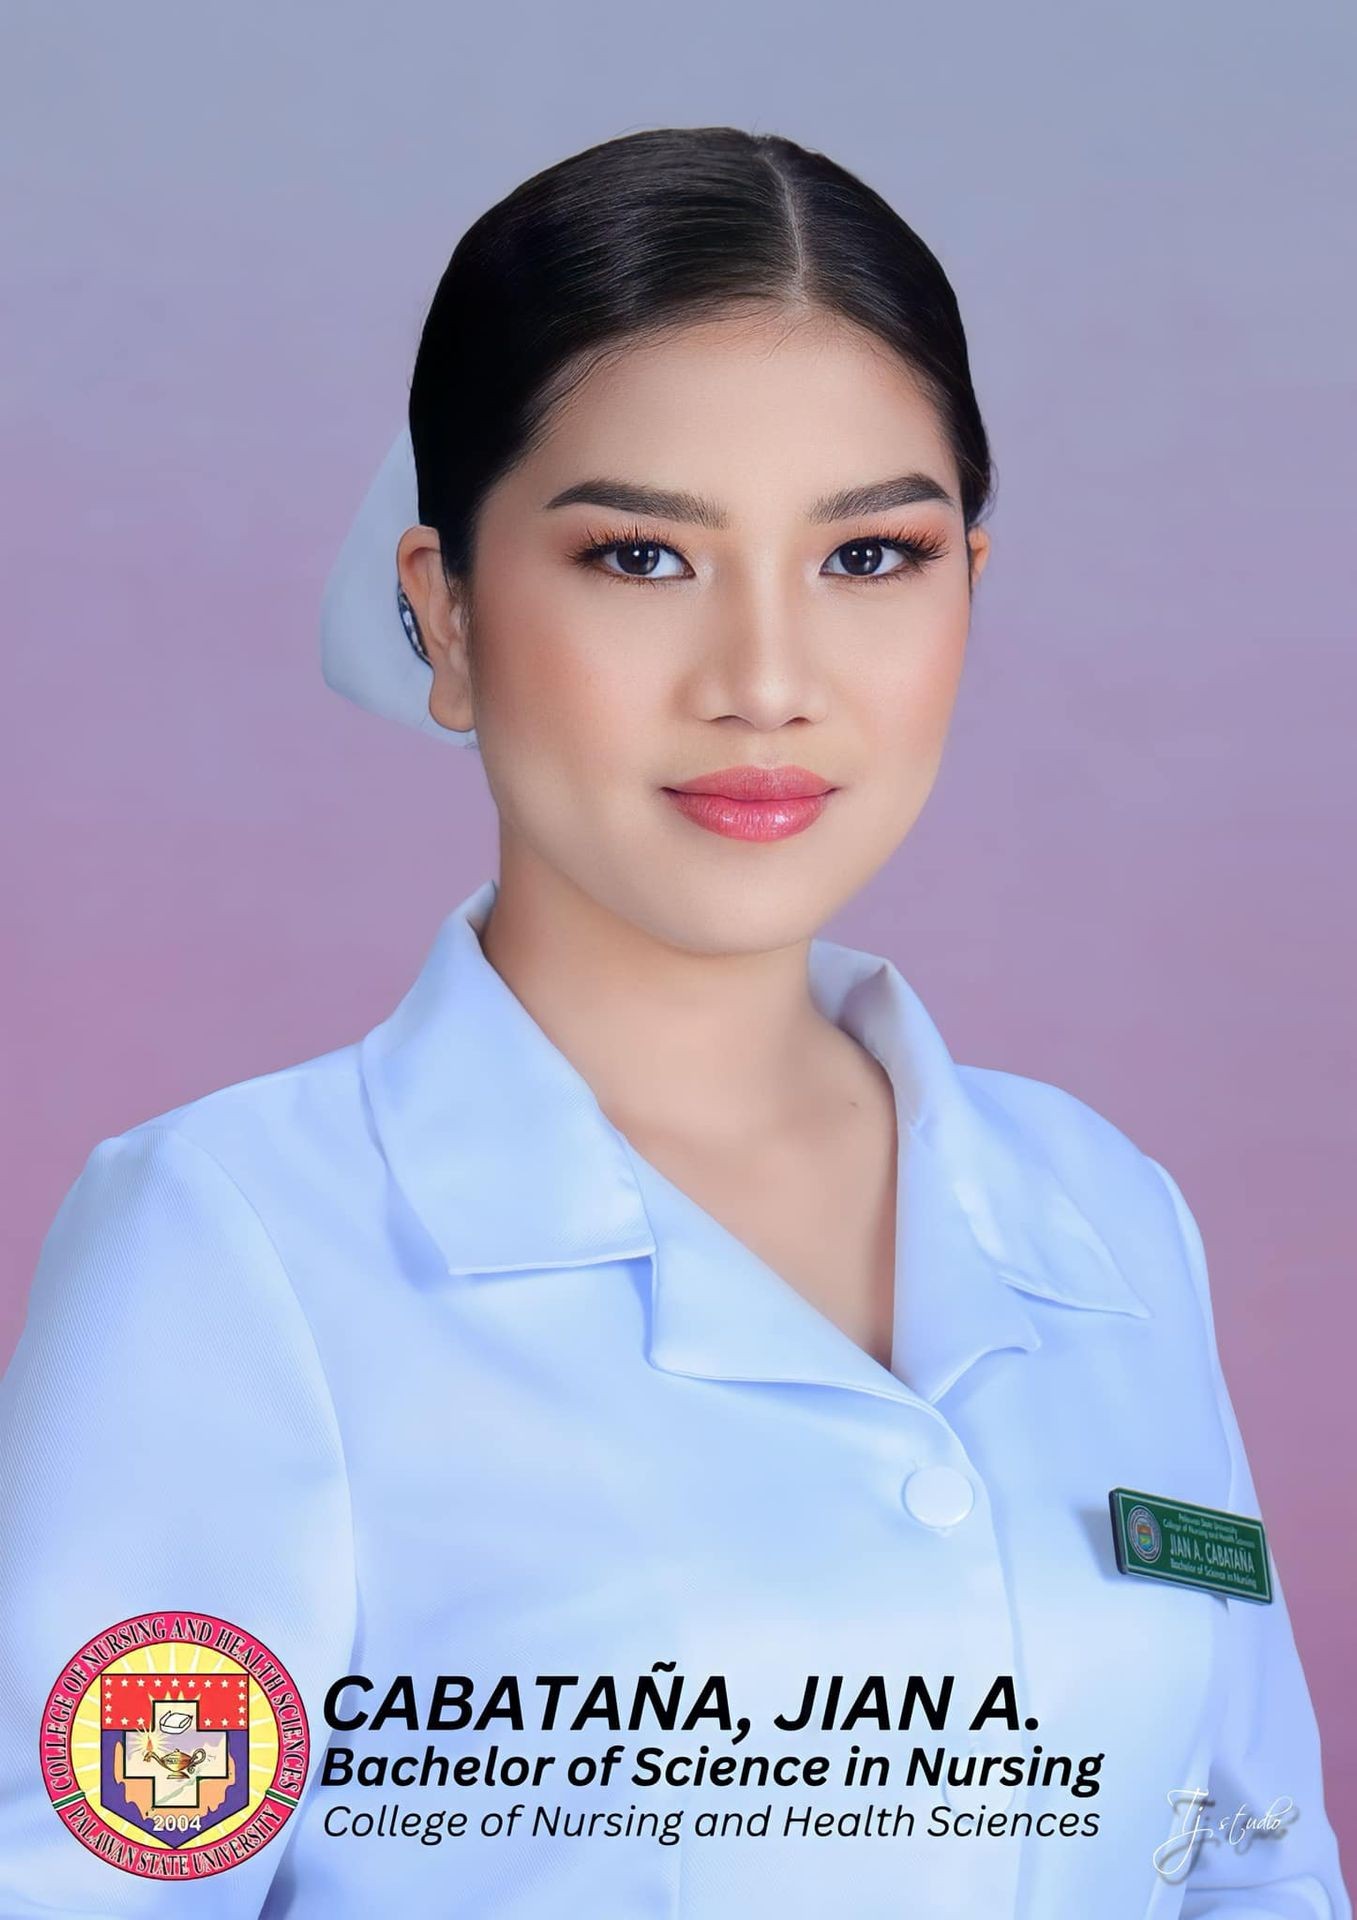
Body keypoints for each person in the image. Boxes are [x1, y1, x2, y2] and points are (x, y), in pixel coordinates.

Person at [0, 125, 1348, 1919]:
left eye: (869, 558)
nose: (767, 682)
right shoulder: (235, 1249)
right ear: (445, 611)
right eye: (642, 558)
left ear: (970, 593)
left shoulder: (1103, 1215)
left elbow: (1249, 1867)